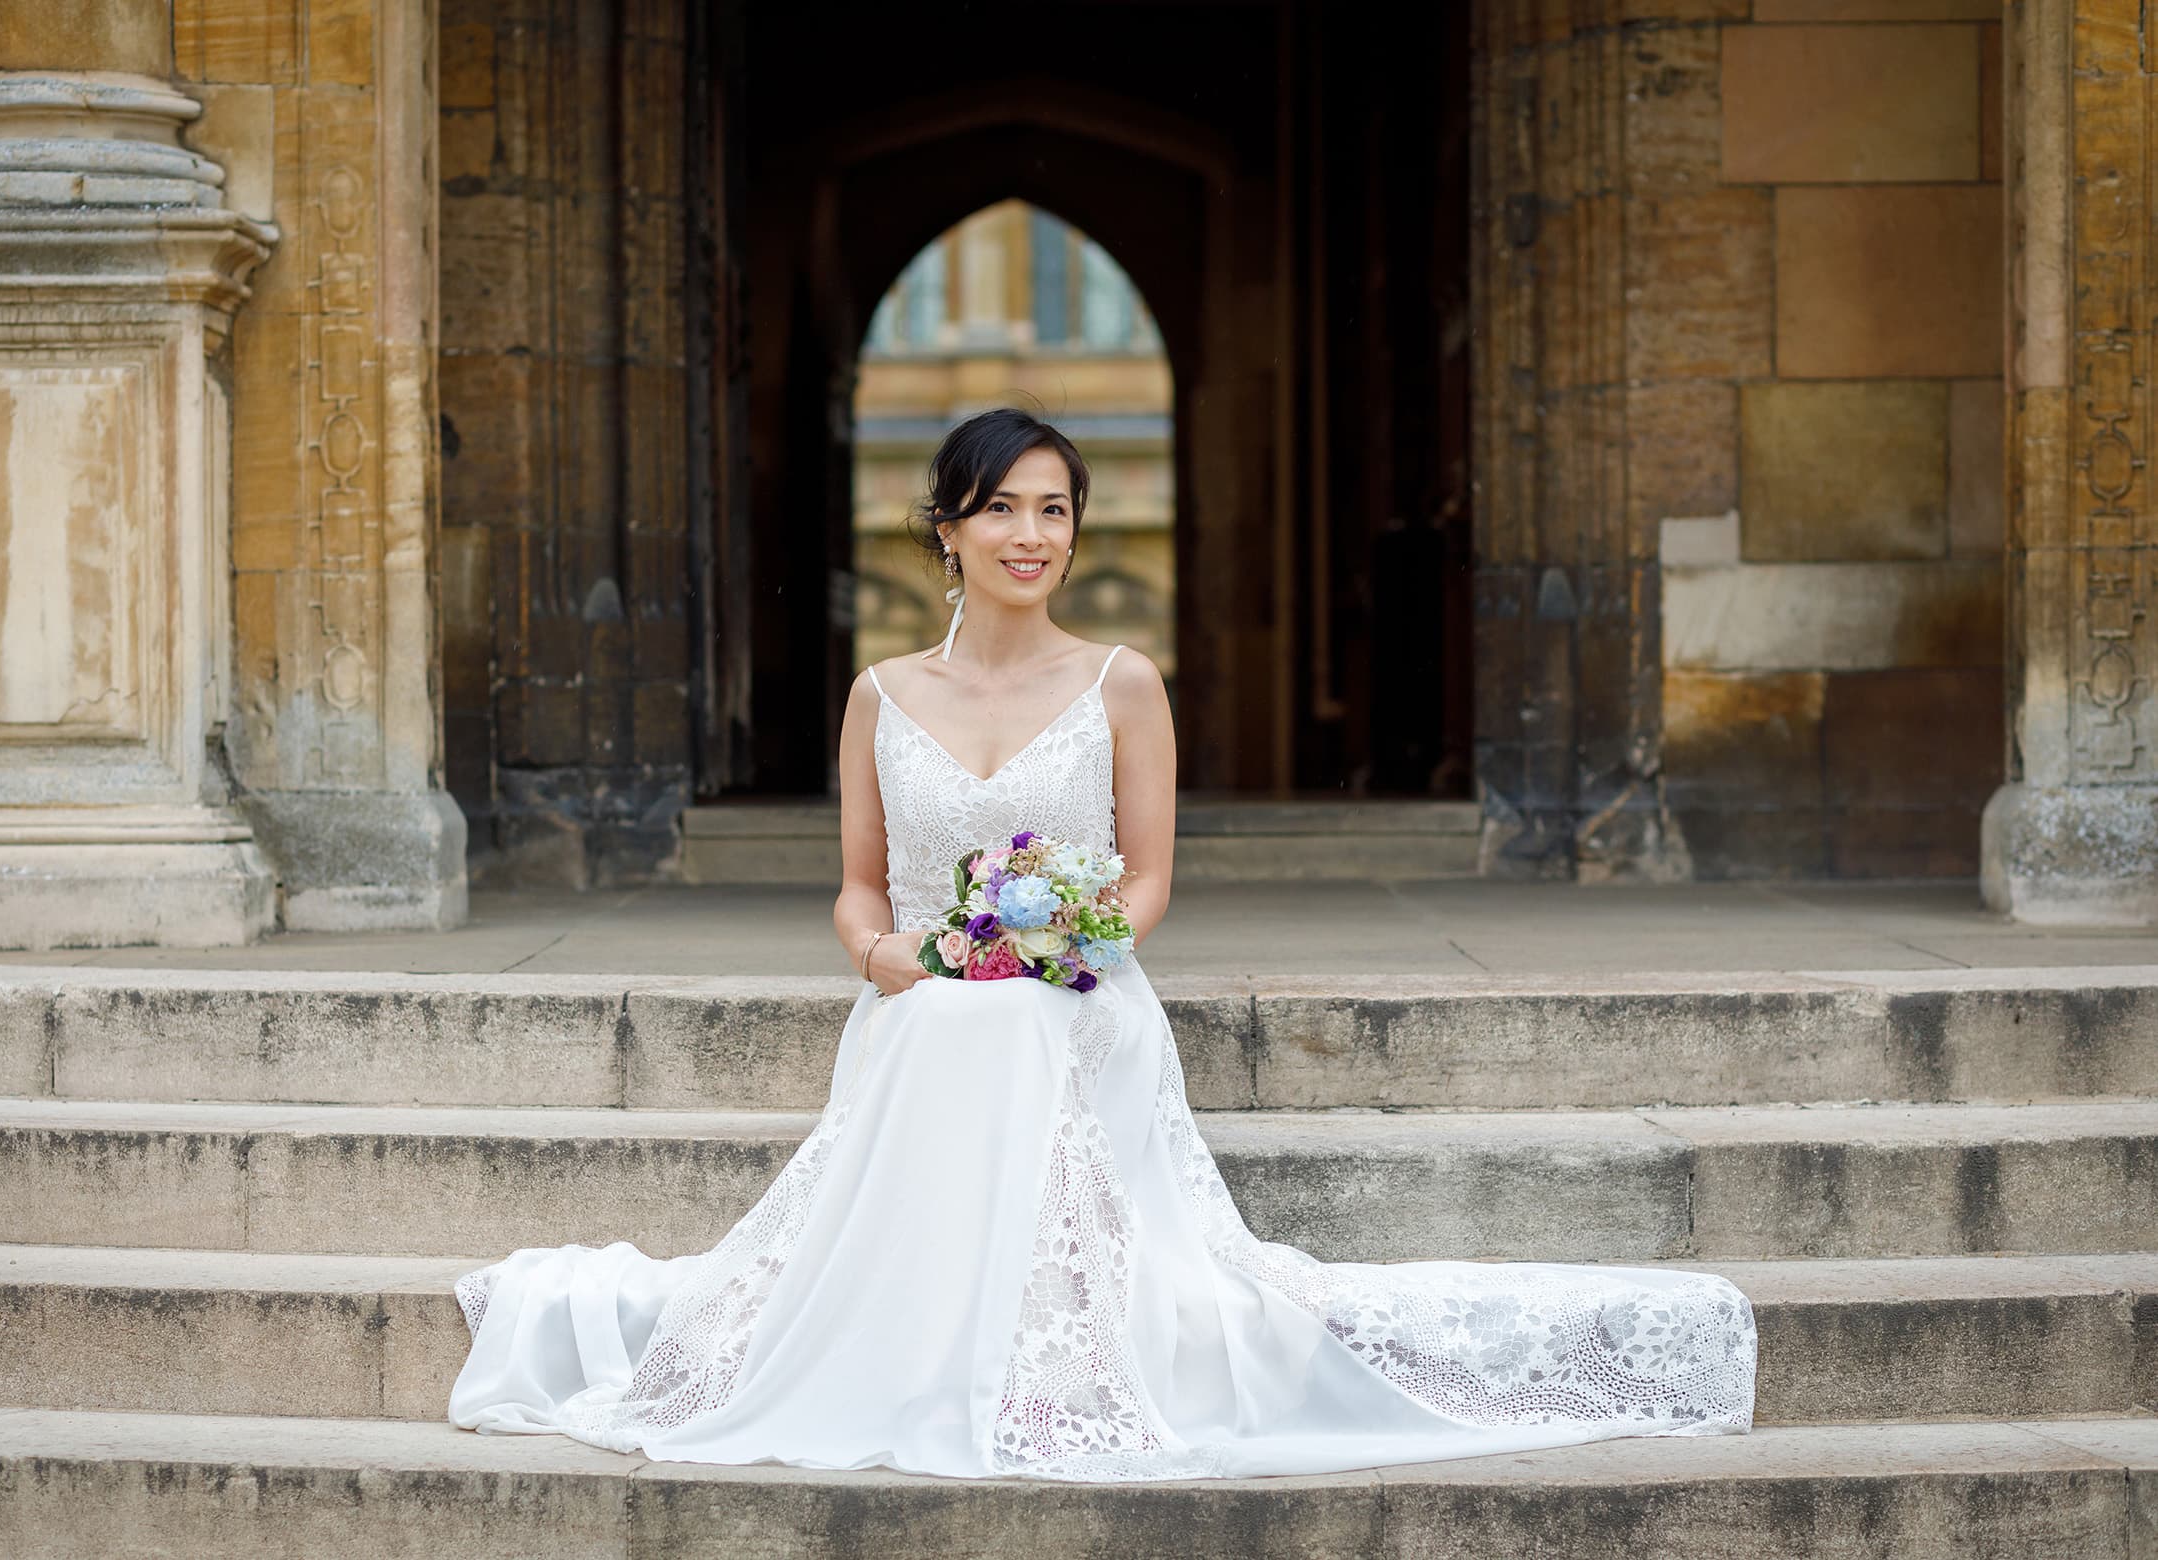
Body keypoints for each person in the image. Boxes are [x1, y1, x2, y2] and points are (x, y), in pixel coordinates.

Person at [447, 407, 1757, 1480]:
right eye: (1003, 507)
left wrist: (1054, 950)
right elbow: (854, 890)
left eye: (1055, 509)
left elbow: (1147, 882)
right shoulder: (880, 697)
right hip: (921, 1006)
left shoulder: (1123, 681)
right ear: (948, 530)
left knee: (1005, 1017)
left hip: (1078, 1001)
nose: (1033, 534)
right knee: (960, 1019)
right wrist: (881, 956)